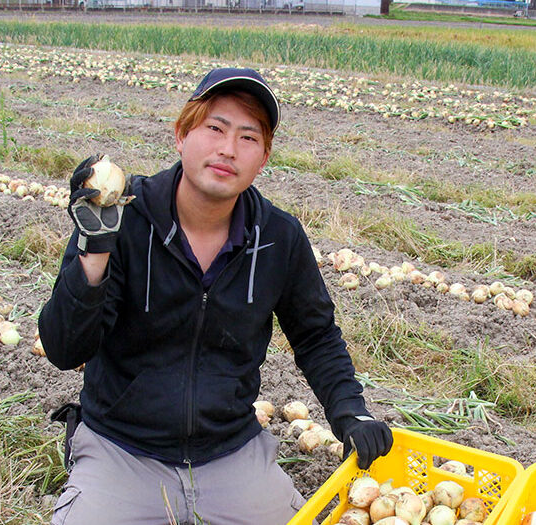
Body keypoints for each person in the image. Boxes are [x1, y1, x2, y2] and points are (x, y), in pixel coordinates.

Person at [38, 67, 393, 525]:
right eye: (215, 128)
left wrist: (351, 412)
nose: (229, 149)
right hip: (122, 448)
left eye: (249, 137)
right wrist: (92, 258)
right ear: (181, 135)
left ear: (263, 157)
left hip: (230, 450)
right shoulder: (118, 218)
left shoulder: (278, 237)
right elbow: (65, 350)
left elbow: (315, 335)